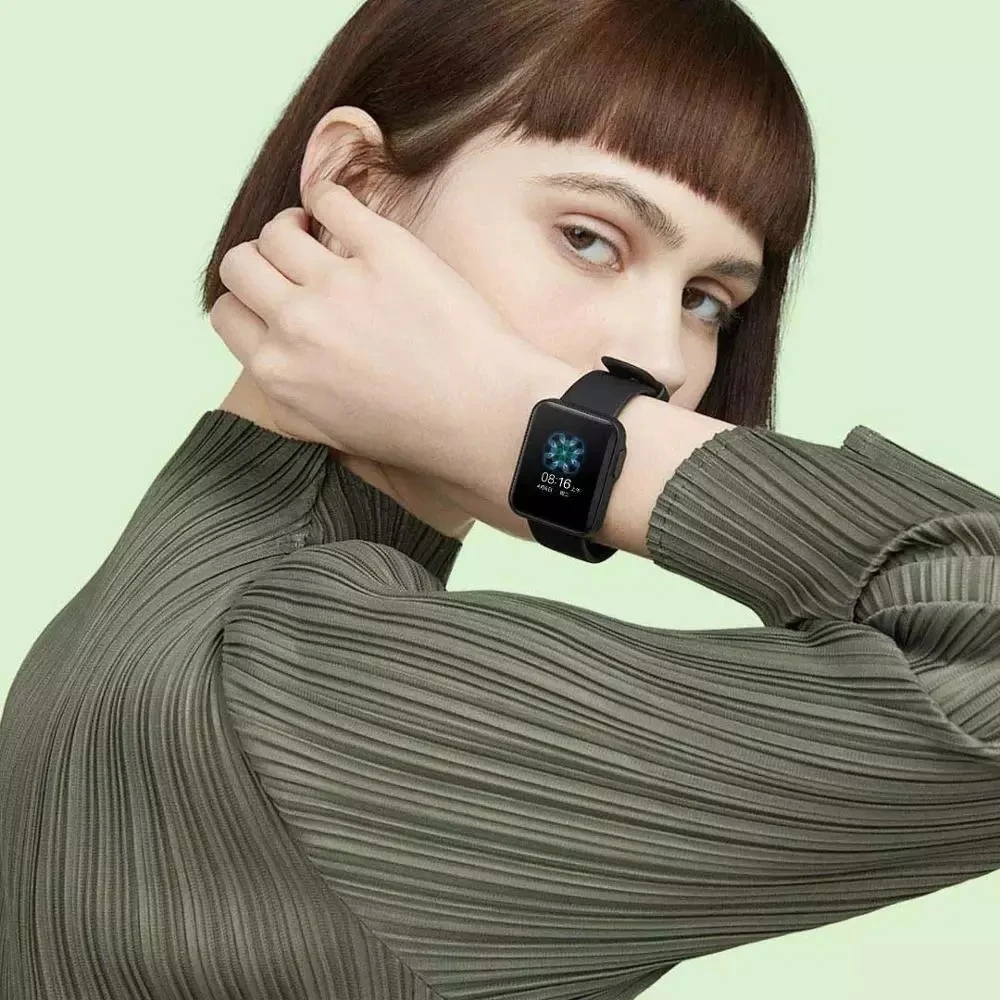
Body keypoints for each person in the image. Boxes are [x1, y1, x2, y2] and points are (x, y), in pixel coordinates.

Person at [1, 0, 998, 998]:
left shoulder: (183, 595)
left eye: (707, 303)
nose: (659, 359)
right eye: (589, 239)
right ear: (352, 183)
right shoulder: (313, 681)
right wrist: (530, 425)